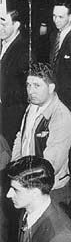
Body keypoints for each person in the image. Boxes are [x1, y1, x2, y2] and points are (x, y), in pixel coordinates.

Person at [12, 62, 71, 206]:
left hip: (49, 189)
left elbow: (52, 164)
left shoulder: (61, 116)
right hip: (27, 183)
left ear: (51, 88)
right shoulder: (32, 106)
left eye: (37, 86)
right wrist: (16, 169)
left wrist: (26, 181)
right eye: (28, 85)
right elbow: (21, 137)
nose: (31, 91)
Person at [6, 156, 71, 242]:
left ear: (34, 192)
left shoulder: (60, 237)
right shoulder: (27, 209)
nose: (9, 194)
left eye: (15, 189)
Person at [0, 10, 29, 146]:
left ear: (16, 24)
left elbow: (26, 89)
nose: (0, 29)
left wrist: (2, 96)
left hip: (11, 115)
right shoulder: (2, 44)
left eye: (4, 24)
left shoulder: (24, 51)